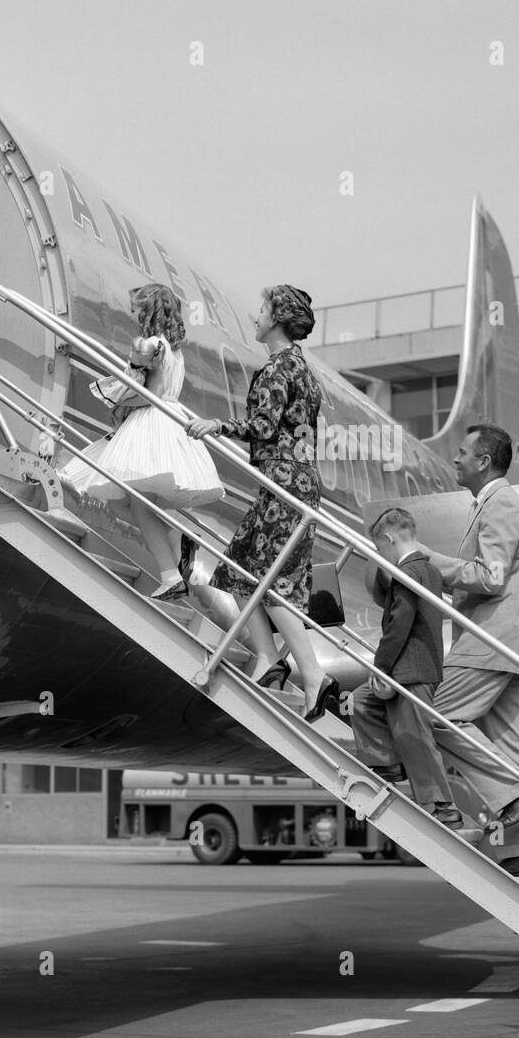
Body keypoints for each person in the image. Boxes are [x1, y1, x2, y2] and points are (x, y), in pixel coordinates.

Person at [187, 285, 339, 720]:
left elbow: (263, 425)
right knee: (240, 567)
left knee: (269, 582)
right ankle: (269, 658)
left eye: (261, 309)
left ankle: (313, 676)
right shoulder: (304, 371)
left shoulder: (277, 369)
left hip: (285, 484)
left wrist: (217, 426)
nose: (255, 316)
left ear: (276, 318)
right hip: (294, 482)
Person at [417, 424, 519, 879]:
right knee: (510, 744)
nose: (453, 459)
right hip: (503, 644)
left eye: (462, 453)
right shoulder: (494, 505)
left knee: (431, 715)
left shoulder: (503, 505)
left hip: (488, 642)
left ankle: (511, 796)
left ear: (484, 462)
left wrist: (428, 561)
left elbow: (490, 576)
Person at [59, 284, 224, 598]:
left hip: (151, 421)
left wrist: (117, 401)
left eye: (136, 307)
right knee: (128, 500)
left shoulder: (151, 344)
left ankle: (170, 573)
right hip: (168, 420)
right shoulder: (175, 350)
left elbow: (153, 394)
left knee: (132, 498)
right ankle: (175, 540)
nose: (132, 313)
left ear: (148, 310)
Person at [348, 508, 474, 833]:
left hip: (411, 668)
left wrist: (381, 666)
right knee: (363, 701)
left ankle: (443, 806)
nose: (380, 557)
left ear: (389, 540)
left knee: (414, 736)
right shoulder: (430, 571)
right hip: (418, 666)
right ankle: (387, 763)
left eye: (379, 550)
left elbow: (399, 623)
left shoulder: (406, 573)